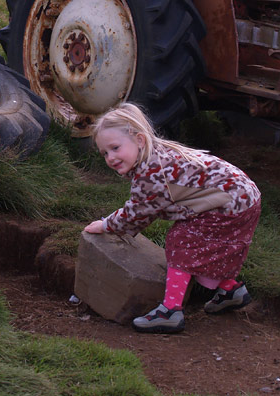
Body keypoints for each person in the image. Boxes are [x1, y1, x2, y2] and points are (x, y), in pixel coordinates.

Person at [83, 103, 261, 334]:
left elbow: (136, 213)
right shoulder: (154, 155)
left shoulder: (152, 173)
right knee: (206, 246)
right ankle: (231, 290)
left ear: (139, 140)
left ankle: (170, 311)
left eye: (115, 148)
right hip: (242, 196)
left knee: (182, 242)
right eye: (105, 153)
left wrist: (106, 225)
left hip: (231, 203)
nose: (111, 157)